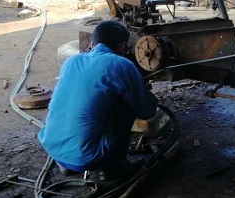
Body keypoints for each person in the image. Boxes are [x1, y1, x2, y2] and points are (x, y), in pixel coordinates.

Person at [38, 20, 157, 179]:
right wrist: (143, 92)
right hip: (87, 158)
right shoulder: (121, 64)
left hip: (52, 148)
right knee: (125, 105)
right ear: (122, 45)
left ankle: (66, 165)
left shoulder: (71, 61)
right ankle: (113, 168)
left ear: (93, 43)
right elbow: (146, 110)